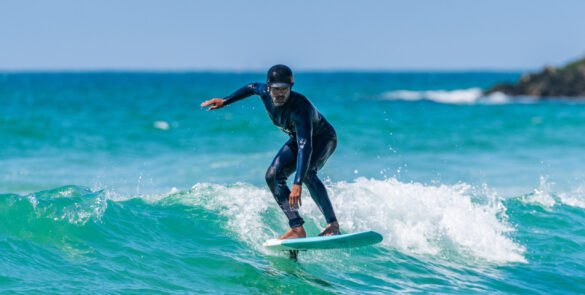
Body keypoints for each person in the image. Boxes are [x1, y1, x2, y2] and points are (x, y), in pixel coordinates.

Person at [201, 65, 341, 239]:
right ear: (268, 88)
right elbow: (251, 87)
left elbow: (306, 145)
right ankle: (297, 228)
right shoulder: (264, 92)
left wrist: (297, 183)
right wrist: (225, 100)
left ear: (291, 88)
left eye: (285, 89)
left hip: (323, 138)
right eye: (276, 89)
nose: (280, 94)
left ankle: (332, 225)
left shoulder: (301, 108)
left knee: (307, 174)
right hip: (298, 139)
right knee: (272, 176)